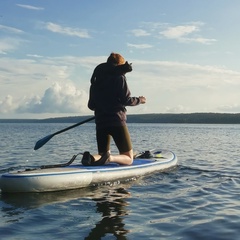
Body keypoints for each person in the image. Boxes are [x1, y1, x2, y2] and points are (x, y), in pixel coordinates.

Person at [82, 52, 146, 166]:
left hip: (101, 122)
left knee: (102, 154)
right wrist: (140, 100)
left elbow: (91, 105)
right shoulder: (119, 77)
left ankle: (90, 158)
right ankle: (110, 158)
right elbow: (126, 100)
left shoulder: (95, 82)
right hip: (117, 121)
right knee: (129, 158)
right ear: (119, 65)